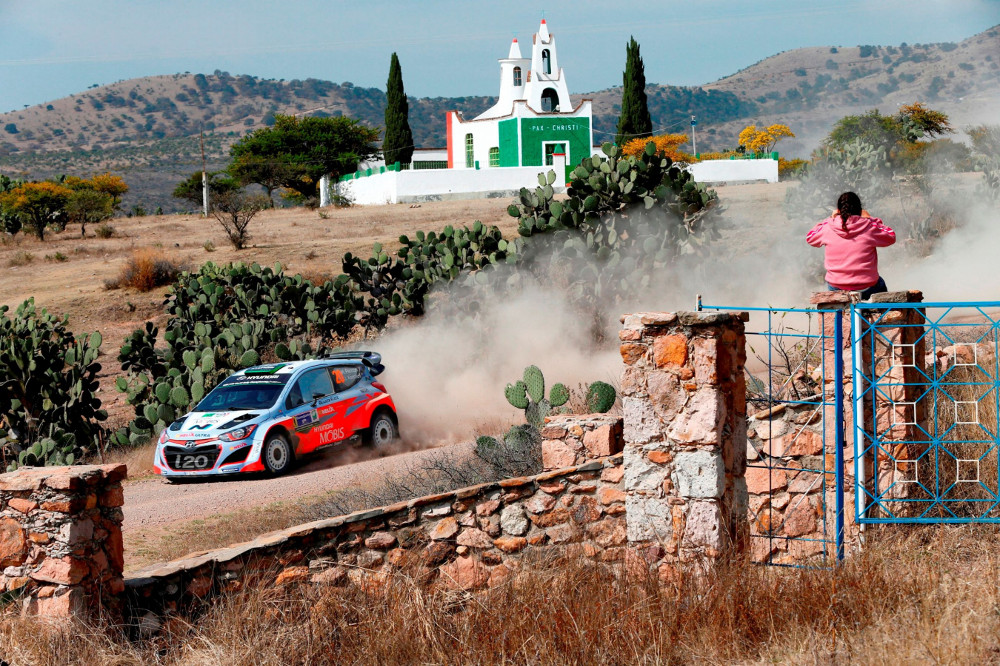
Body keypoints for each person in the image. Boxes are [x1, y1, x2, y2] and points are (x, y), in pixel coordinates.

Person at [806, 191, 895, 300]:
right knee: (880, 284)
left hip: (837, 286)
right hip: (867, 286)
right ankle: (882, 310)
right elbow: (891, 236)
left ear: (839, 210)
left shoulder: (828, 226)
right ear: (860, 210)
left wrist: (829, 219)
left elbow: (810, 237)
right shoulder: (869, 226)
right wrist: (870, 219)